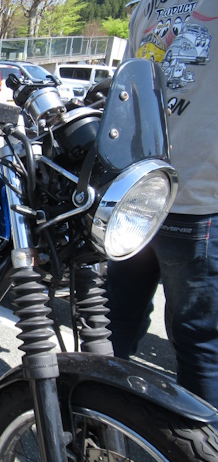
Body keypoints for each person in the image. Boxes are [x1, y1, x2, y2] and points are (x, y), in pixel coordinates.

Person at [106, 0, 218, 409]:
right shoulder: (145, 8)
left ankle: (194, 448)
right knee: (116, 324)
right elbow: (127, 91)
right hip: (145, 197)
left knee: (192, 342)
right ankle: (100, 423)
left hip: (191, 199)